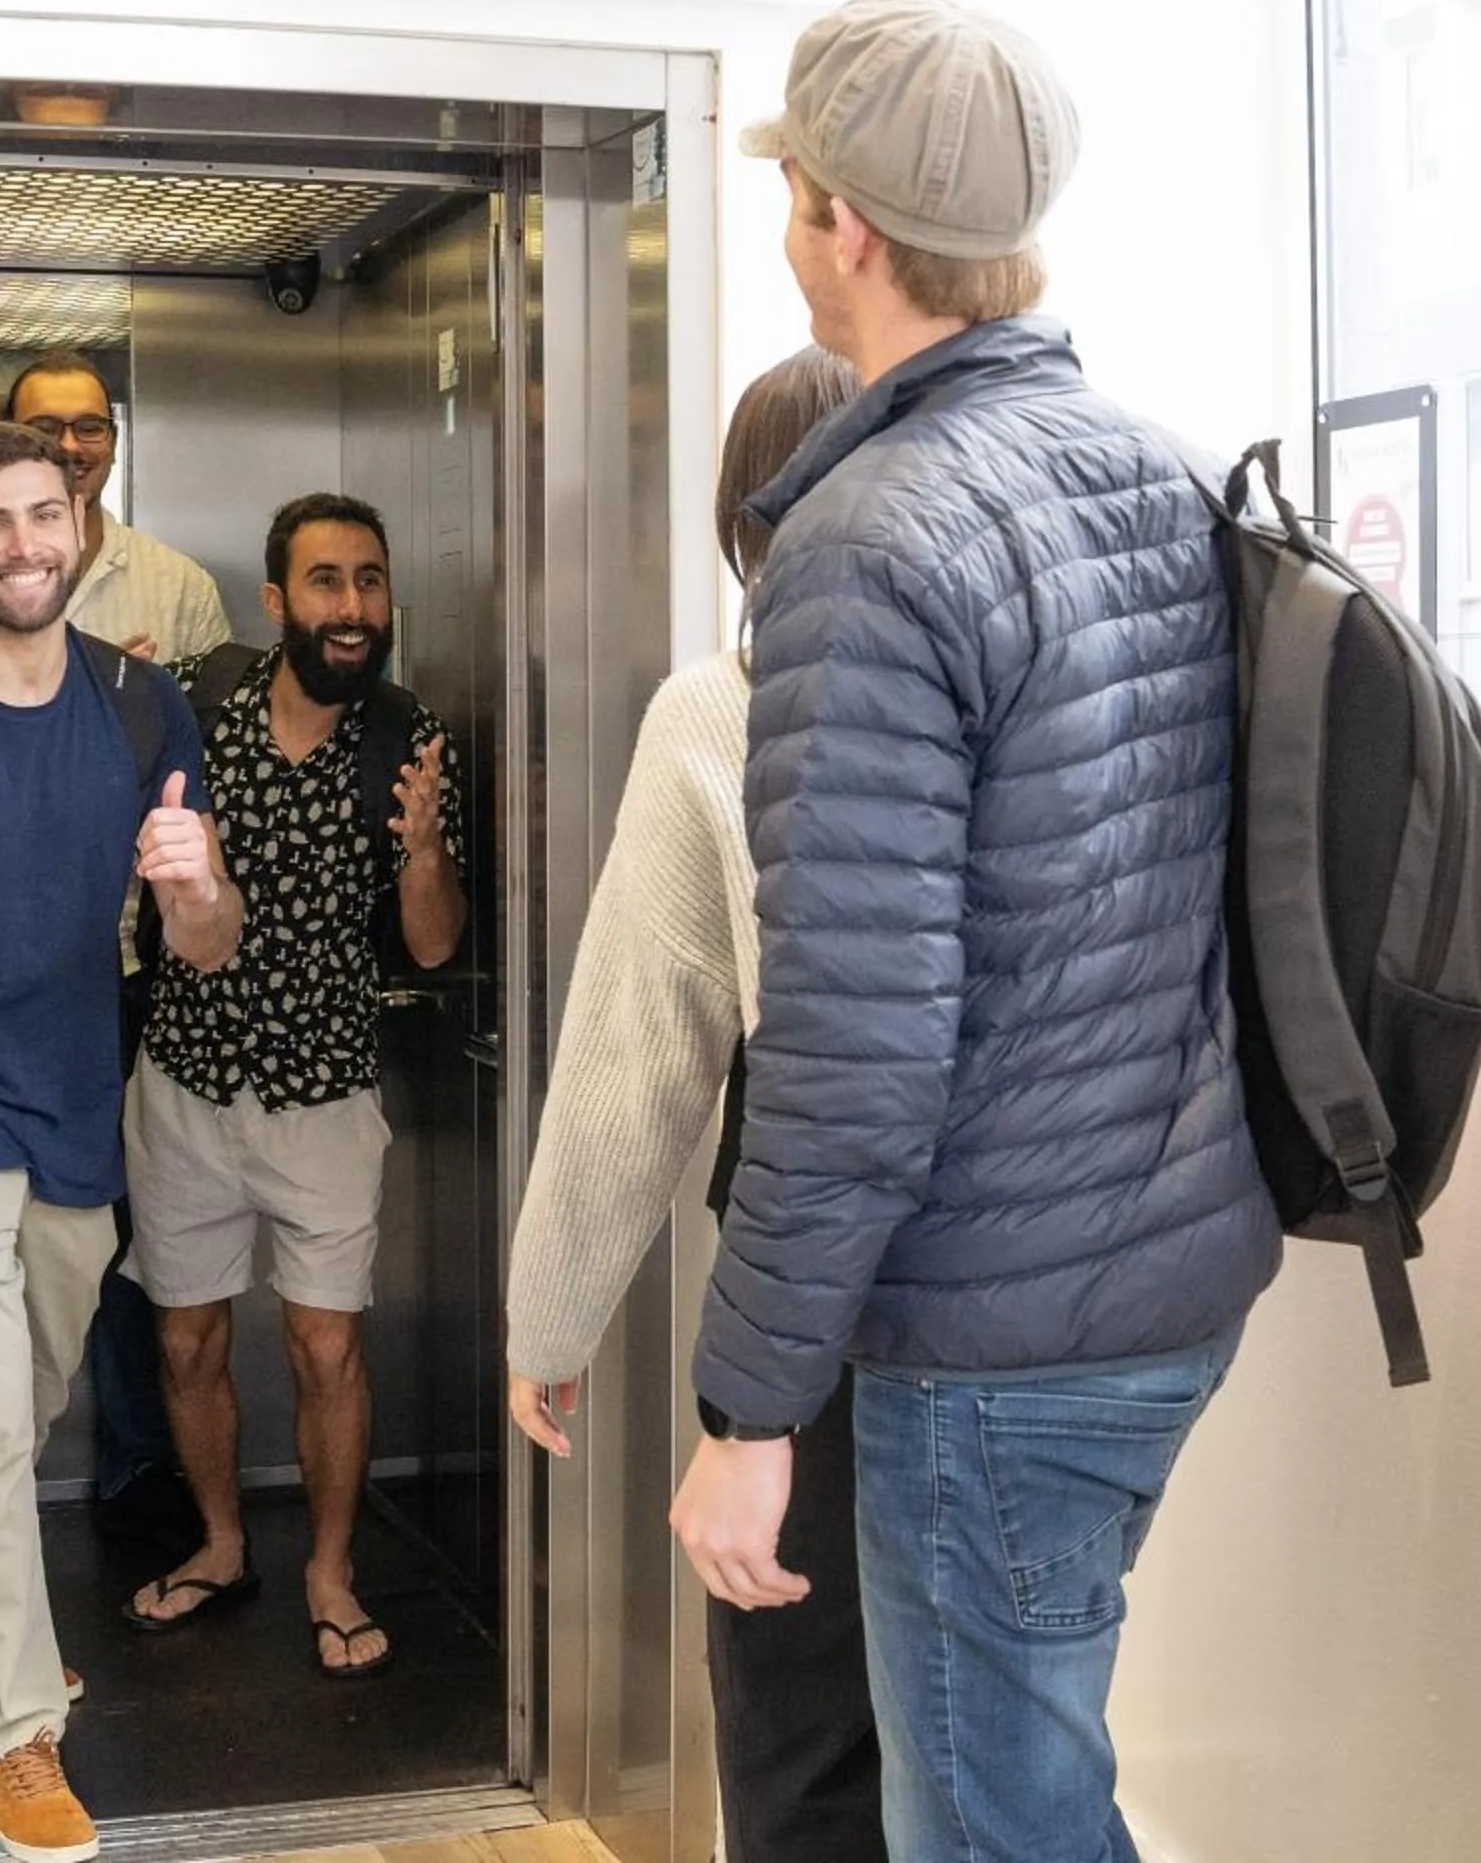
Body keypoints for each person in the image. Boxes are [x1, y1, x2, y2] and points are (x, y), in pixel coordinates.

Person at [671, 0, 1283, 1863]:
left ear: (843, 227)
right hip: (1178, 1274)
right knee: (1032, 1777)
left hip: (996, 1342)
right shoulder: (1163, 473)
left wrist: (749, 1409)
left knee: (993, 1829)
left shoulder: (868, 535)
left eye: (794, 197)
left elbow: (855, 1040)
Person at [504, 348, 879, 1862]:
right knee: (1001, 1721)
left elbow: (638, 1045)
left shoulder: (726, 710)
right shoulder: (1053, 674)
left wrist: (549, 1319)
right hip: (1081, 1294)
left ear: (746, 516)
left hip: (829, 1284)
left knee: (801, 1719)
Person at [0, 421, 241, 1863]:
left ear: (82, 524)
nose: (26, 544)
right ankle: (15, 1740)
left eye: (48, 513)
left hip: (82, 1104)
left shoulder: (144, 707)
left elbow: (206, 945)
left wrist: (200, 887)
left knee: (21, 1404)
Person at [119, 493, 466, 1679]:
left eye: (370, 581)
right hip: (185, 1076)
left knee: (326, 1347)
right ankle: (222, 1544)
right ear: (278, 600)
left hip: (326, 1089)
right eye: (327, 582)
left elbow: (428, 946)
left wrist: (423, 851)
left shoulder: (408, 736)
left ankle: (329, 1567)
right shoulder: (197, 699)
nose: (354, 606)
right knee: (187, 1339)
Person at [0, 351, 234, 665]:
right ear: (2, 438)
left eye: (89, 426)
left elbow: (204, 738)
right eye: (44, 428)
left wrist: (134, 697)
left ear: (114, 443)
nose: (68, 446)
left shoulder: (183, 588)